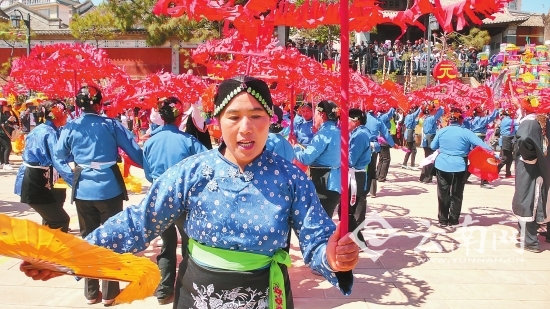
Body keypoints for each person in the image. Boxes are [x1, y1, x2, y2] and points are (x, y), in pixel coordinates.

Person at [21, 76, 360, 309]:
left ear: (270, 120)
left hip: (264, 294)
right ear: (217, 122)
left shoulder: (291, 178)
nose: (246, 128)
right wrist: (68, 257)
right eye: (234, 117)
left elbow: (317, 239)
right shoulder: (191, 172)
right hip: (198, 292)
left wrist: (332, 256)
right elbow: (138, 224)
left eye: (257, 116)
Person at [55, 85, 144, 306]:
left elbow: (58, 154)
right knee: (111, 238)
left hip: (83, 189)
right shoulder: (111, 125)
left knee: (87, 240)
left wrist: (74, 168)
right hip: (109, 189)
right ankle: (110, 292)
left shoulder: (71, 126)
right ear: (98, 103)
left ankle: (91, 293)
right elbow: (134, 152)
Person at [143, 97, 208, 305]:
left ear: (161, 118)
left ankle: (163, 291)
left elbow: (147, 174)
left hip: (159, 202)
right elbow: (208, 163)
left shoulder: (150, 141)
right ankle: (185, 290)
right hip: (183, 202)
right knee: (189, 246)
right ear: (180, 116)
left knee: (166, 244)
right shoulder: (188, 141)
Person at [13, 100, 74, 232]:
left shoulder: (49, 130)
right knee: (60, 220)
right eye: (64, 112)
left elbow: (60, 154)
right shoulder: (48, 132)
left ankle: (51, 250)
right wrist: (75, 181)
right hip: (37, 180)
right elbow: (58, 160)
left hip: (45, 178)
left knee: (51, 220)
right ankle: (56, 251)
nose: (67, 115)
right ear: (56, 114)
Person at [430, 108, 492, 227]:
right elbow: (483, 145)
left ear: (449, 119)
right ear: (461, 119)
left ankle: (443, 219)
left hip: (442, 165)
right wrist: (494, 155)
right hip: (459, 166)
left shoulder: (442, 131)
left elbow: (433, 146)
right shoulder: (466, 132)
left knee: (443, 193)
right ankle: (453, 219)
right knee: (457, 193)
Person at [294, 100, 341, 218]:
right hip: (334, 181)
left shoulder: (324, 134)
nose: (314, 116)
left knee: (320, 222)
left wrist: (295, 147)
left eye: (315, 113)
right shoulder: (337, 131)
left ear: (322, 114)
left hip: (324, 183)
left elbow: (306, 158)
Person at [512, 110, 550, 253]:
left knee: (527, 201)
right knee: (543, 199)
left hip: (531, 170)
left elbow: (523, 139)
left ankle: (531, 242)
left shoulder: (530, 122)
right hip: (544, 169)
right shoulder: (544, 121)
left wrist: (529, 157)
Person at [347, 108, 371, 245]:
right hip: (356, 174)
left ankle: (359, 241)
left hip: (356, 175)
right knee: (353, 208)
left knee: (350, 209)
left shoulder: (359, 135)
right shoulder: (358, 133)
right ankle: (356, 239)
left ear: (356, 121)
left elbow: (351, 159)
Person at [467, 107, 500, 188]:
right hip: (479, 140)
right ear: (478, 113)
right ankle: (484, 180)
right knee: (484, 160)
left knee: (476, 160)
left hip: (473, 139)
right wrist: (496, 108)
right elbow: (491, 118)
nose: (483, 113)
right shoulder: (480, 120)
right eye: (482, 112)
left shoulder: (472, 120)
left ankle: (464, 177)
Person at [365, 110, 394, 198]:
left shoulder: (364, 117)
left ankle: (363, 190)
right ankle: (372, 191)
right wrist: (393, 144)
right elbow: (386, 133)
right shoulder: (378, 120)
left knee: (361, 168)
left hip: (363, 145)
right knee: (372, 168)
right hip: (373, 146)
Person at [419, 105, 444, 184]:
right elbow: (440, 113)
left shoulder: (425, 118)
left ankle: (423, 177)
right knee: (431, 158)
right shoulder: (431, 119)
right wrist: (440, 106)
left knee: (427, 157)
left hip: (426, 139)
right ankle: (427, 178)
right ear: (431, 111)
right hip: (430, 138)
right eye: (434, 110)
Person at [376, 107, 396, 183]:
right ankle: (382, 177)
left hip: (380, 139)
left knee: (381, 159)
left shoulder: (379, 116)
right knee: (386, 159)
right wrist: (394, 106)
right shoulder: (383, 117)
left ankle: (378, 175)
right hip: (384, 140)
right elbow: (389, 114)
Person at [497, 109, 517, 178]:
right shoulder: (509, 121)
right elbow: (518, 123)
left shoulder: (506, 120)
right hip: (506, 139)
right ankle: (495, 171)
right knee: (505, 158)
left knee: (510, 158)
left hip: (507, 139)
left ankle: (508, 173)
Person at [0, 99, 17, 170]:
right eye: (5, 105)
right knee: (8, 147)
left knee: (3, 148)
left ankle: (3, 162)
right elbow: (2, 125)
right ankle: (6, 163)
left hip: (6, 133)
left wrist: (12, 122)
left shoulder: (5, 113)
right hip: (2, 133)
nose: (7, 107)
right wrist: (8, 121)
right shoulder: (1, 114)